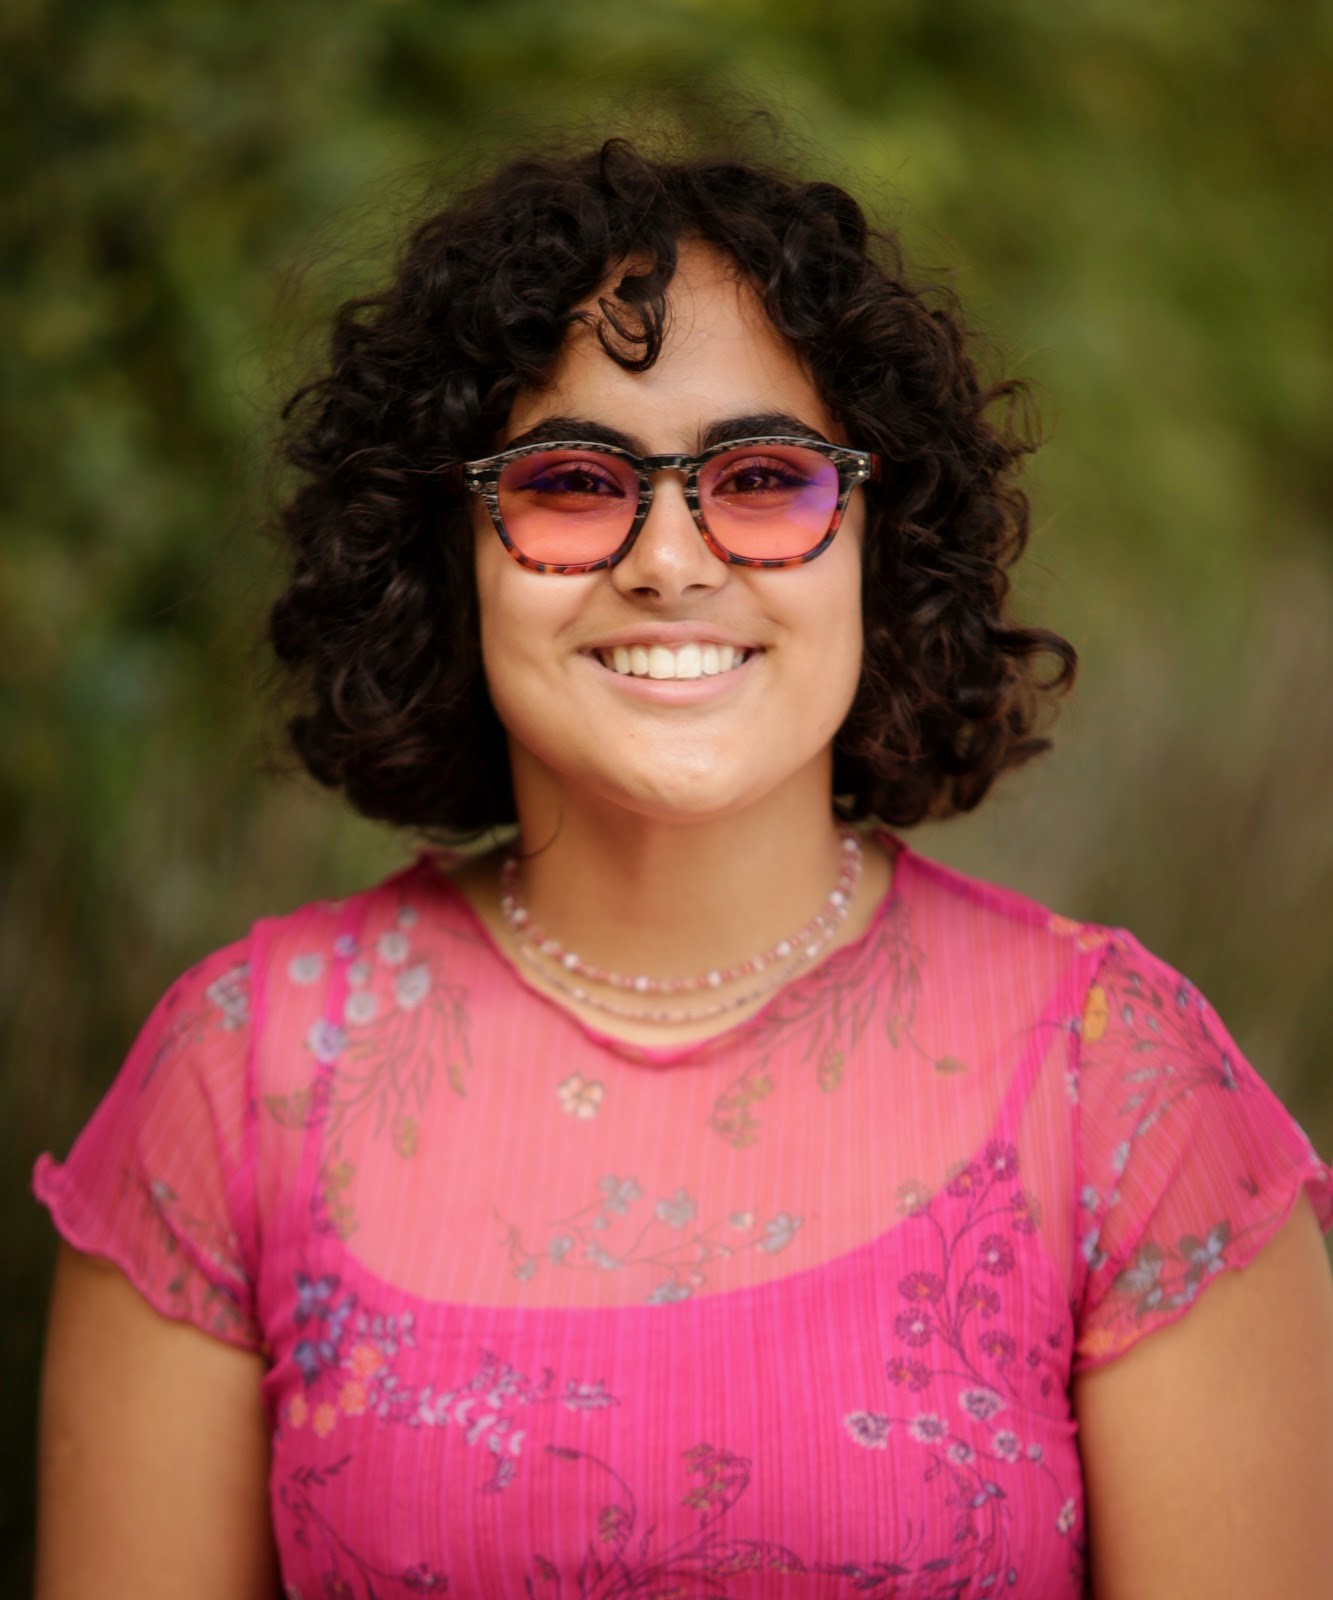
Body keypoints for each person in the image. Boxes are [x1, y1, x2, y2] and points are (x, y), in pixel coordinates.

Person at [33, 134, 1333, 1599]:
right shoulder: (238, 1078)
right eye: (572, 481)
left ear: (874, 541)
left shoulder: (1123, 1091)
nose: (667, 559)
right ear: (444, 549)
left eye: (763, 479)